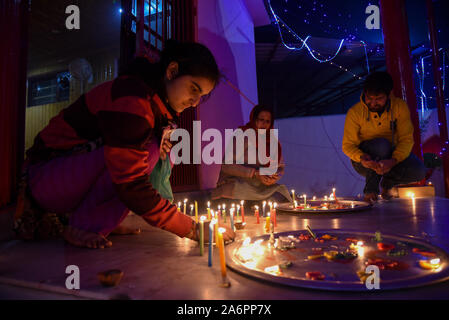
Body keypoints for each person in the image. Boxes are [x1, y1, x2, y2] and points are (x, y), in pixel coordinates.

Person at [14, 41, 235, 248]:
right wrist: (193, 229)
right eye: (194, 89)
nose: (195, 102)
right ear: (172, 71)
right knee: (146, 154)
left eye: (202, 96)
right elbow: (132, 185)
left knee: (154, 150)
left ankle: (98, 219)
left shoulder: (154, 105)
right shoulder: (133, 100)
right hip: (44, 180)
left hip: (62, 181)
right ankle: (83, 225)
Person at [342, 71, 426, 202]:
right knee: (382, 145)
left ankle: (387, 183)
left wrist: (393, 160)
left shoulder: (399, 107)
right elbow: (347, 145)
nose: (373, 103)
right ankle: (370, 190)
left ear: (388, 95)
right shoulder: (355, 112)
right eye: (369, 98)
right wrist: (362, 158)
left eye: (379, 99)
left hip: (390, 158)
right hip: (364, 161)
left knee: (419, 170)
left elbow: (406, 140)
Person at [211, 104, 292, 203]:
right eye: (261, 120)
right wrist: (255, 173)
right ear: (254, 119)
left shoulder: (272, 141)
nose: (264, 124)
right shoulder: (243, 136)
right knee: (242, 193)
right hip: (238, 183)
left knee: (282, 195)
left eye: (267, 121)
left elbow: (280, 166)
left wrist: (274, 176)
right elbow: (226, 166)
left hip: (259, 185)